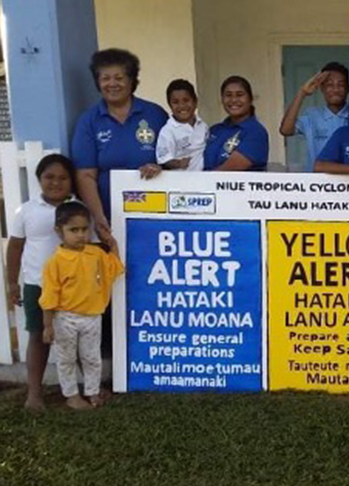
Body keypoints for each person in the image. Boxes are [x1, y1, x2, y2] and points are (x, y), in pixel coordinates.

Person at [72, 48, 168, 241]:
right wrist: (99, 219)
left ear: (132, 81)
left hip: (156, 216)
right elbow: (85, 175)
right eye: (105, 78)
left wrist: (160, 167)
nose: (112, 84)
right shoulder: (89, 121)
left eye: (119, 77)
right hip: (109, 218)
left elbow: (174, 161)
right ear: (98, 83)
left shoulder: (155, 114)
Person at [5, 155, 77, 410]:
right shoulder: (27, 211)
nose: (56, 183)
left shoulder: (78, 209)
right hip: (38, 285)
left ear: (71, 181)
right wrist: (12, 283)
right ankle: (34, 393)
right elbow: (14, 248)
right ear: (39, 180)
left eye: (63, 178)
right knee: (38, 337)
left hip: (73, 287)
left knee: (76, 337)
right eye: (49, 177)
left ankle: (80, 389)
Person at [39, 202, 124, 410]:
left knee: (91, 357)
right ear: (59, 231)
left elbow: (115, 268)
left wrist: (112, 244)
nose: (80, 235)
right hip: (65, 318)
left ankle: (93, 392)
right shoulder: (55, 262)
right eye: (73, 230)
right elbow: (49, 296)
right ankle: (71, 395)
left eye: (84, 229)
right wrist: (48, 325)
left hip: (93, 317)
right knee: (66, 358)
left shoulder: (95, 254)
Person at [279, 62, 349, 172]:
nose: (335, 90)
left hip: (348, 182)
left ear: (348, 88)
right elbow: (286, 130)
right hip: (315, 183)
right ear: (322, 88)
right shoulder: (312, 116)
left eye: (340, 85)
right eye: (330, 85)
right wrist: (302, 92)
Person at [204, 76, 269, 171]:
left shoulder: (256, 132)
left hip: (220, 184)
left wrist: (200, 182)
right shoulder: (215, 130)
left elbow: (227, 171)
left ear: (250, 99)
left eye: (239, 95)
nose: (233, 100)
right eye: (228, 95)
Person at [156, 79, 208, 171]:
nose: (182, 106)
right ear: (170, 105)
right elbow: (164, 159)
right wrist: (178, 163)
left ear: (195, 102)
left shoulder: (202, 126)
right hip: (181, 182)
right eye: (175, 102)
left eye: (186, 100)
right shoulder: (168, 131)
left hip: (202, 179)